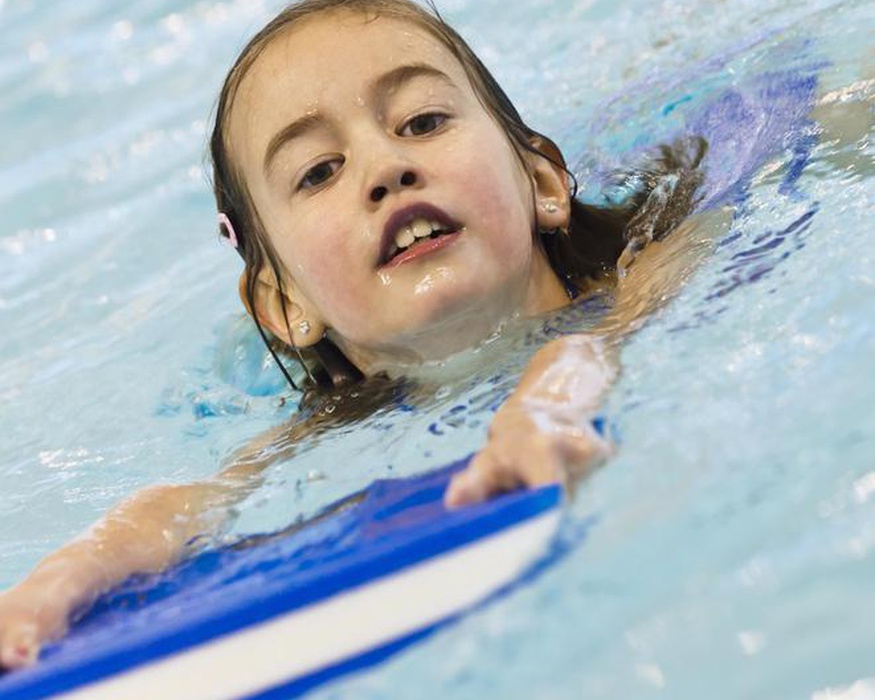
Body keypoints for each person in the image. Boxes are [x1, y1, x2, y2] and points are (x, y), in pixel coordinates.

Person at [0, 0, 708, 670]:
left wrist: (545, 413)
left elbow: (593, 345)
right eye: (318, 171)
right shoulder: (332, 418)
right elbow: (191, 500)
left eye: (422, 121)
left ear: (543, 184)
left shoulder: (656, 260)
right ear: (285, 307)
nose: (384, 168)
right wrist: (58, 582)